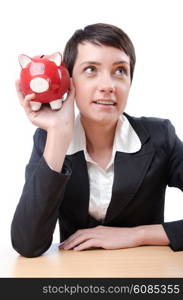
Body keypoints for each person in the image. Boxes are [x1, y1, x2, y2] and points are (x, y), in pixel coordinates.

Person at [11, 23, 183, 258]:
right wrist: (59, 135)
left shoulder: (160, 136)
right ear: (69, 82)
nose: (108, 86)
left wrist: (137, 235)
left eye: (120, 71)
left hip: (145, 276)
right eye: (91, 69)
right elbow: (27, 244)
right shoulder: (50, 140)